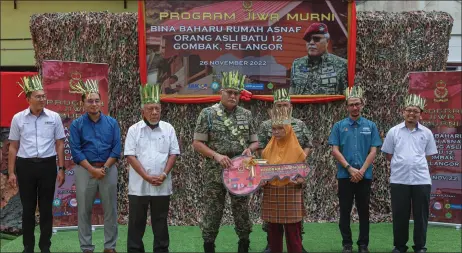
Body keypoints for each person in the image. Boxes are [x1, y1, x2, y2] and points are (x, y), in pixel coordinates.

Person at [192, 71, 258, 253]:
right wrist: (216, 155)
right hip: (215, 171)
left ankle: (244, 244)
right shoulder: (208, 114)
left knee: (241, 210)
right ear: (221, 92)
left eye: (236, 93)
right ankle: (209, 246)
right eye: (229, 92)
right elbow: (197, 143)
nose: (232, 96)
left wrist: (250, 150)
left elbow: (255, 141)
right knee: (213, 211)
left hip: (240, 172)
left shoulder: (246, 114)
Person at [7, 75, 66, 253]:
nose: (42, 99)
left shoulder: (54, 117)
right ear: (28, 99)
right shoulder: (18, 118)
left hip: (47, 166)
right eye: (38, 96)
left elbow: (60, 143)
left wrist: (61, 168)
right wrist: (11, 172)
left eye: (43, 96)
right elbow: (13, 147)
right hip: (25, 167)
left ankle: (45, 246)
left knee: (47, 209)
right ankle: (28, 247)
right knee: (28, 209)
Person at [125, 84, 180, 253]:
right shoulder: (134, 130)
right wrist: (147, 177)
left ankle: (161, 250)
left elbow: (173, 154)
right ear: (143, 111)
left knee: (160, 222)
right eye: (150, 109)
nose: (154, 112)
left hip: (162, 186)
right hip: (138, 187)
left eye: (157, 108)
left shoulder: (168, 128)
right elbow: (130, 156)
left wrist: (163, 174)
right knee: (136, 223)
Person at [257, 88, 313, 253]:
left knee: (293, 231)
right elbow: (261, 155)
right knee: (273, 230)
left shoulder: (297, 146)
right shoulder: (267, 145)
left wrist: (300, 175)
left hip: (291, 189)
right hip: (272, 189)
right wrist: (262, 175)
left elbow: (303, 164)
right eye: (274, 129)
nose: (276, 132)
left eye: (280, 129)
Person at [328, 86, 382, 253]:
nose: (354, 107)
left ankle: (363, 244)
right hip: (345, 176)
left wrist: (362, 171)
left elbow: (373, 150)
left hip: (364, 176)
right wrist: (350, 169)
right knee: (344, 211)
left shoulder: (370, 126)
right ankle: (347, 244)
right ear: (346, 106)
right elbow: (334, 150)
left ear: (362, 104)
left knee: (364, 211)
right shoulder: (339, 126)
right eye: (351, 105)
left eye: (357, 104)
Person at [69, 79, 121, 253]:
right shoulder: (76, 125)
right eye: (90, 101)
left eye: (96, 100)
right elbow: (76, 151)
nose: (93, 104)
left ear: (102, 102)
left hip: (108, 169)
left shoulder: (112, 123)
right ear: (83, 103)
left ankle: (109, 247)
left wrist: (104, 169)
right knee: (84, 210)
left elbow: (116, 149)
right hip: (85, 170)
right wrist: (92, 170)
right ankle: (86, 247)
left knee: (110, 211)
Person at [381, 94, 437, 253]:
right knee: (400, 215)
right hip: (399, 179)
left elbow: (429, 156)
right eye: (409, 110)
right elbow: (388, 154)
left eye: (415, 111)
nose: (411, 114)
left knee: (421, 215)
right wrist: (402, 164)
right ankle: (399, 246)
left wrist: (416, 164)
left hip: (421, 180)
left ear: (421, 113)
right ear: (403, 112)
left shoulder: (426, 133)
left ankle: (420, 246)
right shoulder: (394, 131)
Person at [290, 22, 347, 95]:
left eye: (316, 39)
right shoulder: (297, 64)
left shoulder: (342, 64)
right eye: (308, 39)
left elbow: (348, 97)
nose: (311, 42)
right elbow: (291, 96)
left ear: (327, 41)